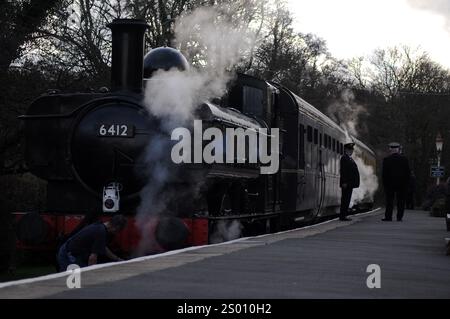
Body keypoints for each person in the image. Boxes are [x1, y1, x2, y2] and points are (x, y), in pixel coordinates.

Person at [57, 214, 127, 272]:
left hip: (70, 252)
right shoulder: (101, 232)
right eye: (118, 231)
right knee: (74, 282)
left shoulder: (100, 227)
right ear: (116, 227)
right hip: (69, 255)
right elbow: (92, 258)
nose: (117, 233)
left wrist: (118, 259)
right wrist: (92, 275)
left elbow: (103, 248)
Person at [382, 142, 410, 221]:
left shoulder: (386, 160)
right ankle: (399, 217)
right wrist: (406, 184)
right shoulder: (404, 159)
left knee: (389, 201)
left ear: (390, 149)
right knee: (401, 201)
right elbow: (408, 173)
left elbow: (384, 174)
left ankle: (388, 217)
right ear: (398, 149)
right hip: (402, 184)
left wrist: (385, 184)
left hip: (390, 184)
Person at [339, 142, 360, 221]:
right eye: (350, 150)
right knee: (345, 199)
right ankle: (343, 216)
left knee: (347, 199)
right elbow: (343, 171)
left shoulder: (349, 158)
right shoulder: (344, 158)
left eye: (352, 150)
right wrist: (344, 182)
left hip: (349, 183)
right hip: (346, 183)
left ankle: (344, 215)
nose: (352, 151)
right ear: (346, 150)